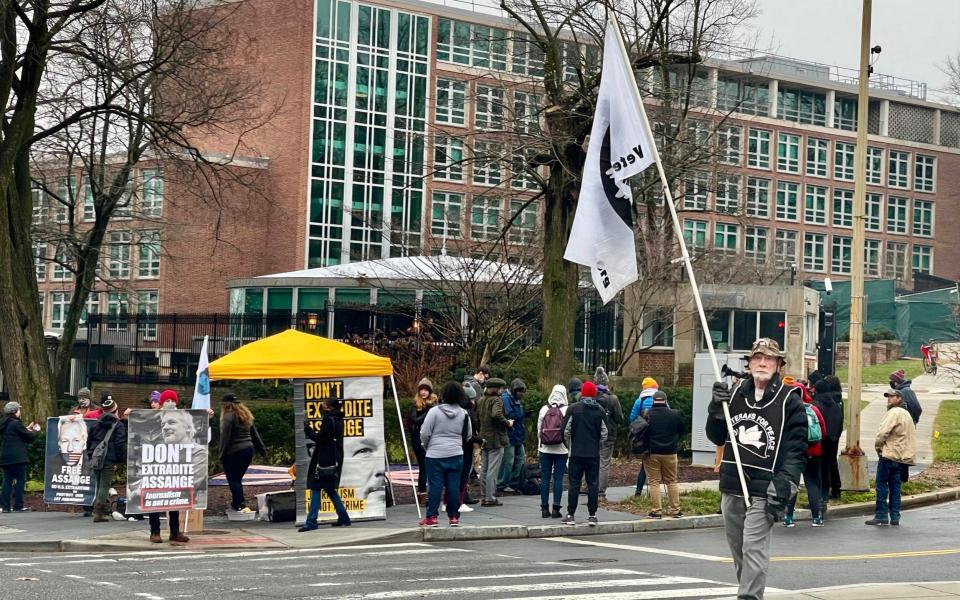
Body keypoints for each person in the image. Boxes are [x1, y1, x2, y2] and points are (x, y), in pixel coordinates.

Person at [706, 338, 808, 600]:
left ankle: (748, 597)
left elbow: (796, 450)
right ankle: (750, 592)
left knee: (754, 548)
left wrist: (784, 483)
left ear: (778, 365)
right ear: (749, 363)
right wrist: (716, 408)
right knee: (739, 550)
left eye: (769, 359)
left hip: (765, 488)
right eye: (757, 358)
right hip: (733, 484)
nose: (763, 363)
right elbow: (717, 437)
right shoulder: (735, 393)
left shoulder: (790, 402)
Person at [418, 382, 470, 527]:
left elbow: (425, 433)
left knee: (435, 486)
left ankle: (432, 516)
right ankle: (454, 516)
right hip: (456, 453)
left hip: (435, 454)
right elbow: (468, 435)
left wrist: (428, 447)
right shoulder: (463, 413)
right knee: (453, 486)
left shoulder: (434, 412)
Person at [866, 389, 916, 527]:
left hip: (889, 455)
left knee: (881, 485)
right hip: (901, 457)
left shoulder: (893, 413)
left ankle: (881, 515)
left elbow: (883, 432)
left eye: (892, 396)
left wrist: (878, 447)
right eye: (888, 396)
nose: (888, 399)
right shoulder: (907, 414)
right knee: (895, 488)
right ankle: (895, 516)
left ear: (899, 398)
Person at [300, 397, 351, 531]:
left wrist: (308, 430)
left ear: (328, 407)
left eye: (323, 405)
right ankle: (344, 518)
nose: (322, 407)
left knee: (316, 487)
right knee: (330, 489)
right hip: (335, 456)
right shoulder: (339, 419)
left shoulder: (328, 420)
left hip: (324, 457)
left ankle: (311, 522)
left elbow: (320, 438)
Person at [561, 381, 607, 526]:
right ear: (594, 394)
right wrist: (597, 445)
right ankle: (592, 515)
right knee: (593, 484)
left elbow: (566, 431)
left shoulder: (573, 409)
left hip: (576, 453)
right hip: (593, 453)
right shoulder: (600, 410)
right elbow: (604, 433)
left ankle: (570, 514)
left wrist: (569, 445)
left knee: (574, 484)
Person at [784, 384, 827, 528]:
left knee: (792, 485)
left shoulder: (787, 410)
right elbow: (823, 431)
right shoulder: (813, 409)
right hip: (813, 453)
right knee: (813, 484)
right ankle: (817, 518)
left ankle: (789, 517)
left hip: (793, 454)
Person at [219, 394, 267, 513]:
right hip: (248, 450)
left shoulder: (228, 417)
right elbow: (255, 435)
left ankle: (239, 504)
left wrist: (221, 455)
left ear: (225, 405)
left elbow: (225, 438)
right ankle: (237, 503)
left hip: (234, 452)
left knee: (233, 480)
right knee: (237, 479)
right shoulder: (246, 416)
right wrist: (262, 450)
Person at [643, 391, 685, 519]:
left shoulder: (647, 414)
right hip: (670, 452)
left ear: (653, 401)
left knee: (654, 481)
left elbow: (642, 433)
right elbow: (682, 431)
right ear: (666, 401)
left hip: (652, 452)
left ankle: (656, 511)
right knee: (672, 481)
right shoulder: (675, 414)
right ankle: (675, 510)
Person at [86, 398, 128, 523]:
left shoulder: (95, 424)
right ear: (115, 410)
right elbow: (120, 444)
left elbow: (89, 442)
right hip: (108, 458)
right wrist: (121, 460)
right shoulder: (118, 425)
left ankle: (100, 510)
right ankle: (98, 513)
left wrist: (90, 455)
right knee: (105, 485)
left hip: (96, 456)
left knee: (99, 483)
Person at [476, 378, 511, 507]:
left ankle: (484, 496)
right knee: (492, 470)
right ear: (497, 389)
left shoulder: (481, 400)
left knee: (484, 469)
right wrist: (507, 422)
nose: (502, 390)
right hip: (496, 439)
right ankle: (490, 498)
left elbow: (477, 418)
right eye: (501, 388)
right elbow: (496, 414)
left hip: (483, 437)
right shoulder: (496, 400)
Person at [0, 402, 40, 513]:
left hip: (5, 456)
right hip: (18, 457)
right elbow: (29, 437)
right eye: (18, 410)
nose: (20, 412)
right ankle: (18, 505)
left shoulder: (3, 423)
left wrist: (26, 428)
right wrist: (35, 430)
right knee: (20, 480)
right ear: (14, 411)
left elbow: (14, 435)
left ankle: (5, 507)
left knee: (7, 481)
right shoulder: (16, 423)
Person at [538, 384, 569, 519]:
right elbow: (568, 431)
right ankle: (556, 508)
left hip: (544, 449)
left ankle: (544, 508)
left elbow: (539, 429)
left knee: (545, 478)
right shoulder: (567, 410)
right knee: (558, 479)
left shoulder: (544, 409)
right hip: (561, 449)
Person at [593, 367, 623, 499]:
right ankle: (600, 491)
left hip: (592, 434)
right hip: (609, 435)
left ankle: (589, 486)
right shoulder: (613, 399)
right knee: (604, 463)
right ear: (606, 383)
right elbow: (619, 418)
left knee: (592, 461)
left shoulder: (591, 397)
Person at [812, 379, 842, 509]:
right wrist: (835, 437)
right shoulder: (836, 405)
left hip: (819, 442)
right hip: (832, 440)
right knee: (828, 468)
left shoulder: (817, 405)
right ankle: (825, 496)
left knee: (817, 471)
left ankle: (817, 498)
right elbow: (840, 423)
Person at [630, 377, 661, 496]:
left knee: (644, 464)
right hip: (657, 435)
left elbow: (632, 418)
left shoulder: (639, 401)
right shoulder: (660, 399)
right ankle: (654, 492)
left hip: (644, 436)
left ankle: (638, 491)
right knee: (657, 464)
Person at [409, 378, 437, 503]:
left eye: (426, 390)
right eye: (422, 390)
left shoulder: (434, 404)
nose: (424, 392)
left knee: (431, 466)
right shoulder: (414, 404)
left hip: (432, 437)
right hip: (418, 437)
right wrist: (429, 412)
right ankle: (422, 493)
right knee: (424, 465)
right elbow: (415, 419)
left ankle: (428, 492)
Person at [498, 378, 526, 492]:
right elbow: (510, 414)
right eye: (519, 391)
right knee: (508, 460)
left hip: (518, 433)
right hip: (509, 433)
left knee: (520, 457)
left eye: (522, 391)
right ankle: (502, 483)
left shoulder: (515, 399)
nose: (521, 394)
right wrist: (522, 415)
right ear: (514, 390)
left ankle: (514, 482)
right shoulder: (506, 398)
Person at [457, 384, 481, 511]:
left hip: (461, 446)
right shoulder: (465, 413)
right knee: (463, 473)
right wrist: (479, 439)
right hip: (464, 447)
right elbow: (468, 434)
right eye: (471, 398)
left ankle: (460, 497)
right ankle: (460, 500)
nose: (473, 401)